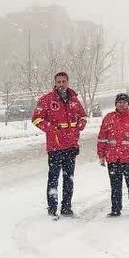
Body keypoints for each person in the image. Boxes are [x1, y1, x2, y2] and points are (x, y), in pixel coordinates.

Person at [31, 72, 87, 217]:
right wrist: (52, 129)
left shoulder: (74, 99)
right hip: (55, 147)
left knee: (69, 179)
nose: (61, 84)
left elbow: (83, 115)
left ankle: (66, 207)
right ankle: (52, 207)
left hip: (71, 146)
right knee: (53, 179)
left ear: (68, 82)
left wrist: (81, 124)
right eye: (59, 82)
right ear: (55, 83)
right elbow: (36, 119)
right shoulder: (46, 100)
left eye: (63, 81)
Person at [97, 93, 129, 217]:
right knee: (115, 186)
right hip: (113, 158)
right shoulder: (109, 118)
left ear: (128, 104)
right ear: (115, 104)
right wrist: (101, 155)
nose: (122, 104)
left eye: (124, 102)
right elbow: (102, 138)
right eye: (119, 102)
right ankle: (116, 209)